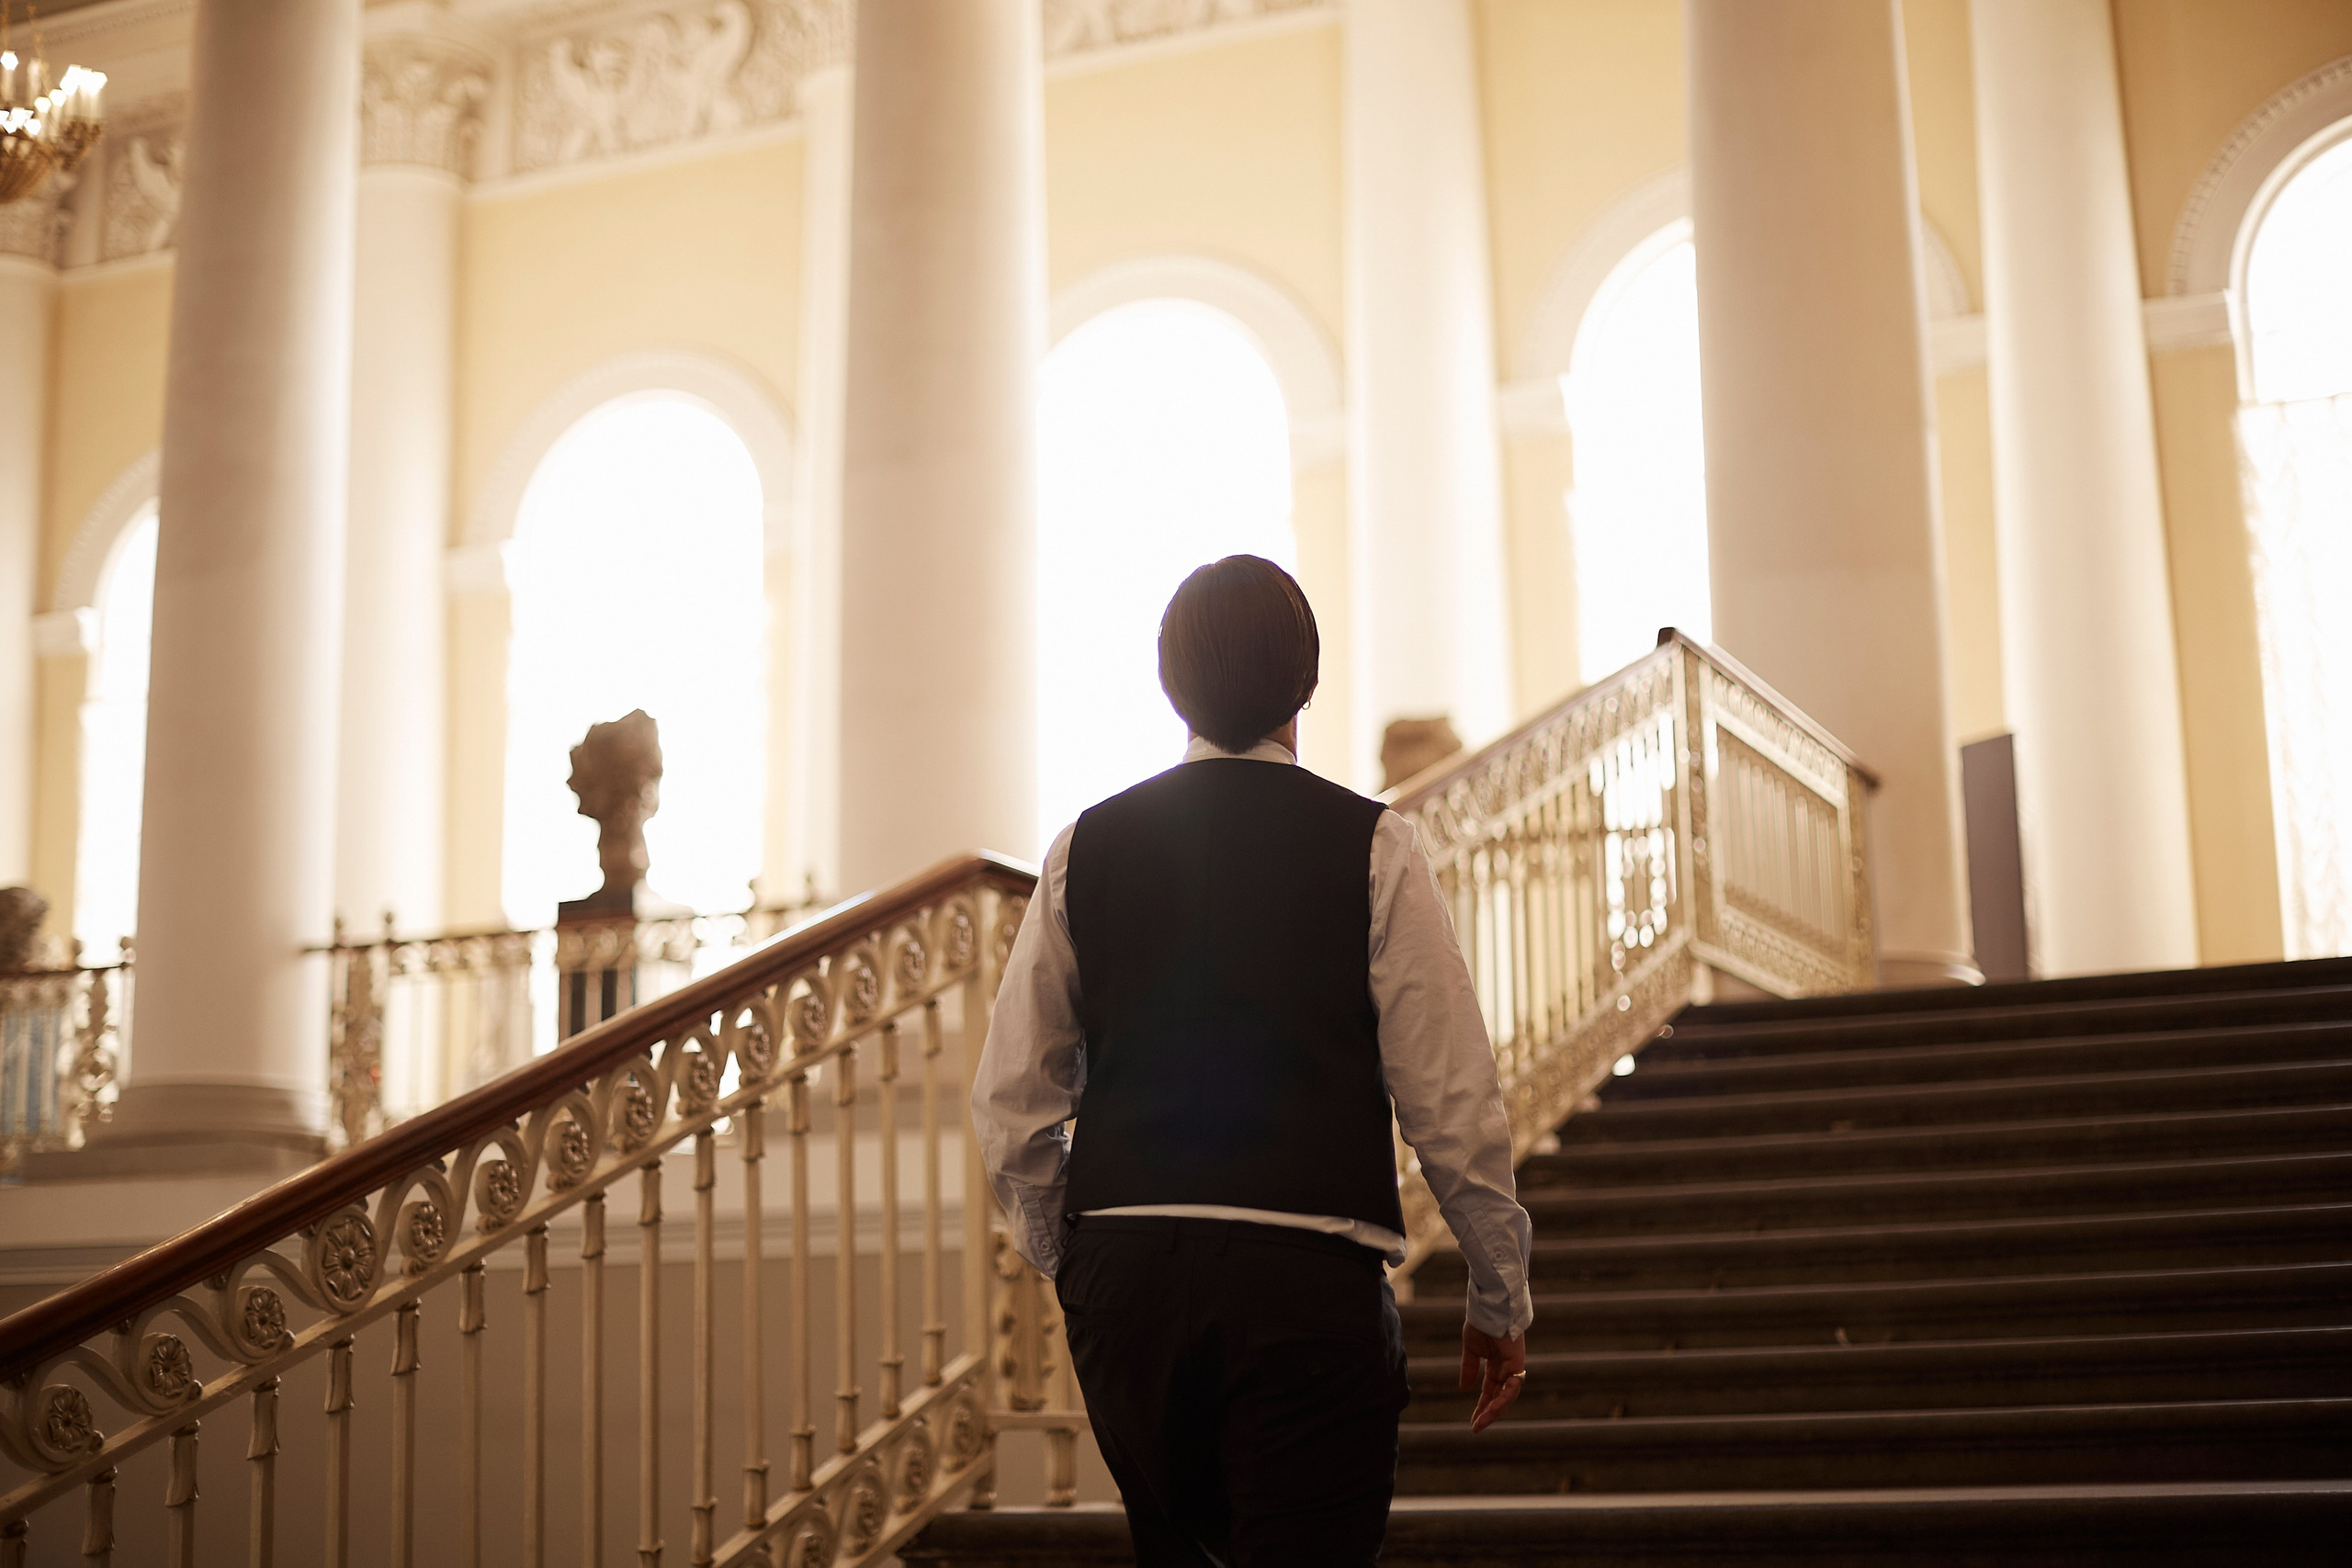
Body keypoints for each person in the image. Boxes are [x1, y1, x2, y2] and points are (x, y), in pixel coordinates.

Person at [972, 555, 1534, 1567]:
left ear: (1168, 683)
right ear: (1304, 681)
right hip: (1304, 1283)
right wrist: (1499, 1292)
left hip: (1127, 1283)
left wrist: (1078, 1261)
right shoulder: (1374, 845)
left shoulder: (1083, 848)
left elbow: (1012, 1100)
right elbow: (1451, 1099)